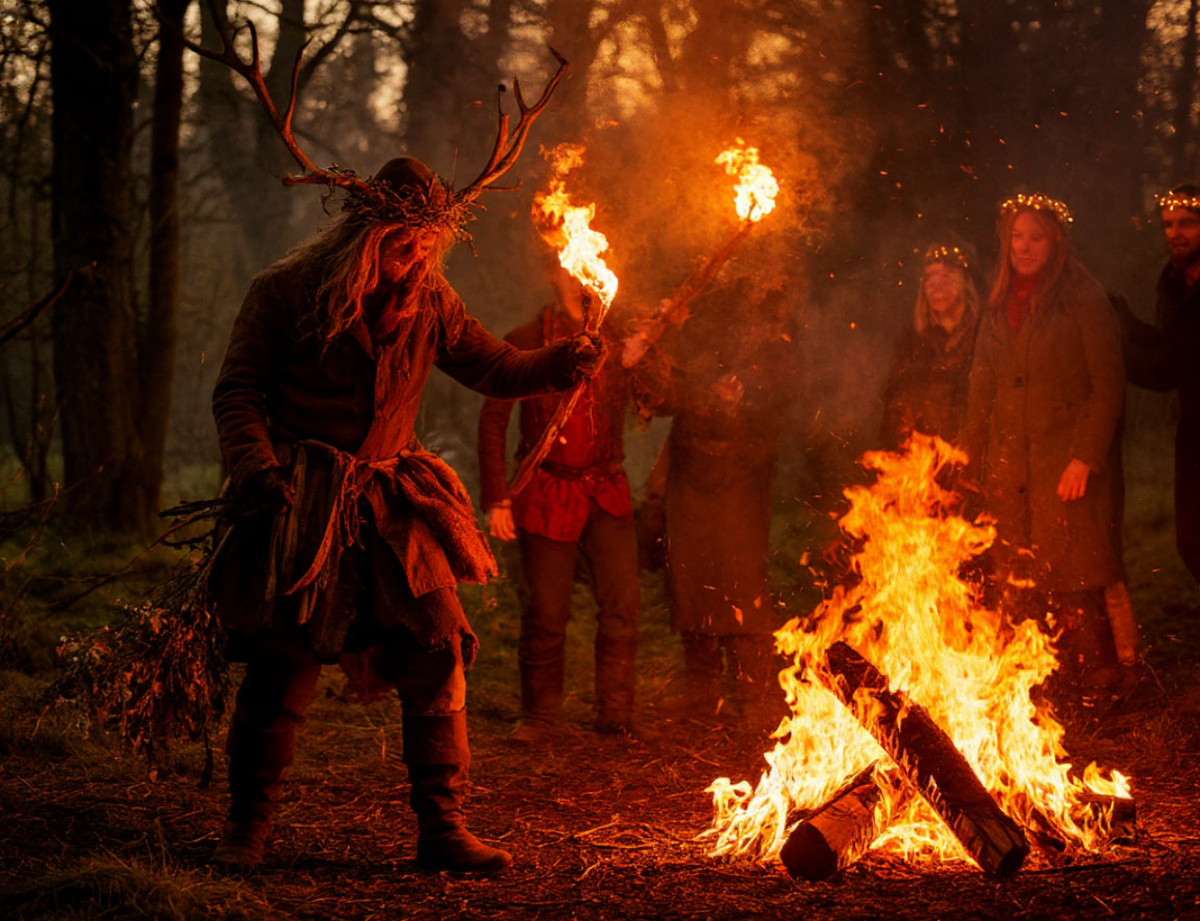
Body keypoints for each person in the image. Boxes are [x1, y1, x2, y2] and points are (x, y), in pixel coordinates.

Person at [207, 157, 604, 873]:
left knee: (438, 650)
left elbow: (495, 368)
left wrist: (560, 362)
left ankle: (443, 829)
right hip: (303, 502)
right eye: (401, 240)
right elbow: (237, 392)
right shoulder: (286, 290)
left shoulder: (432, 300)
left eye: (426, 243)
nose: (415, 254)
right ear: (365, 229)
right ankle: (247, 828)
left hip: (393, 504)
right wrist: (258, 472)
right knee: (282, 668)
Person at [960, 192, 1126, 707]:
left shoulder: (1082, 296)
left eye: (1035, 236)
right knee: (1018, 580)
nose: (1024, 246)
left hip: (1065, 461)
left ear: (1056, 240)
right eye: (1016, 236)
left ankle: (1100, 682)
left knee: (1076, 577)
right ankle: (1040, 691)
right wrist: (965, 461)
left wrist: (1085, 457)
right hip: (1010, 468)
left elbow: (1109, 383)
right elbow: (981, 387)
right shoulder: (999, 301)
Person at [477, 265, 642, 744]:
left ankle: (616, 715)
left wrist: (645, 358)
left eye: (587, 274)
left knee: (623, 606)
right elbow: (493, 422)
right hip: (546, 494)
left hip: (606, 492)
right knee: (546, 611)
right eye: (570, 273)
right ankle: (540, 718)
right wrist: (497, 498)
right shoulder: (526, 339)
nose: (580, 282)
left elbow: (659, 396)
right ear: (556, 278)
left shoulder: (618, 339)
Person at [633, 277, 797, 730]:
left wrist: (738, 404)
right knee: (692, 582)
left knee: (741, 583)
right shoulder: (692, 337)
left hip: (741, 479)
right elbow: (663, 398)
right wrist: (654, 345)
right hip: (691, 479)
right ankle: (702, 695)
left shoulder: (774, 339)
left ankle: (751, 696)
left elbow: (781, 403)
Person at [1114, 183, 1200, 586]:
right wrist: (1125, 322)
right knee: (1192, 544)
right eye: (1168, 224)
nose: (1175, 233)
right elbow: (1172, 346)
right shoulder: (1174, 281)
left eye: (1187, 223)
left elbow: (1168, 371)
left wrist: (1114, 351)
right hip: (1193, 433)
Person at [882, 241, 981, 448]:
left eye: (946, 277)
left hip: (966, 458)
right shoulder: (911, 341)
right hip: (921, 460)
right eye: (929, 278)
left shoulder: (984, 336)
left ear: (965, 282)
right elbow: (894, 402)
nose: (936, 285)